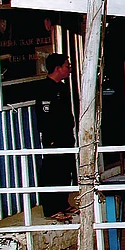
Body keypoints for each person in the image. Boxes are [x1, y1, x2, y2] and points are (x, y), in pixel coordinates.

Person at [37, 54, 76, 221]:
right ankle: (51, 207)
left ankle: (63, 203)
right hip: (54, 138)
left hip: (66, 135)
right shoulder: (46, 88)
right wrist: (51, 138)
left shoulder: (62, 87)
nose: (69, 69)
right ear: (57, 68)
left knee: (65, 171)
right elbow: (44, 117)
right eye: (66, 66)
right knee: (53, 171)